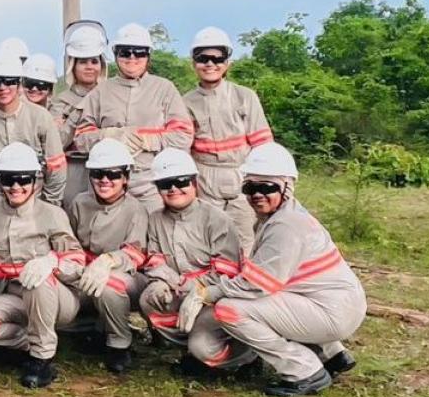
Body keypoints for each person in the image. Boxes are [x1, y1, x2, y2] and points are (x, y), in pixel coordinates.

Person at [177, 143, 365, 397]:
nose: (257, 194)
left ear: (287, 187)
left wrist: (208, 293)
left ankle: (304, 371)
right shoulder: (276, 217)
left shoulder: (285, 226)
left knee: (230, 310)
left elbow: (256, 284)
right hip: (331, 302)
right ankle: (331, 353)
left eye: (267, 187)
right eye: (250, 188)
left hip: (331, 310)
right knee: (250, 303)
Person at [0, 143, 86, 389]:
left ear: (35, 180)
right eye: (9, 179)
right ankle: (28, 342)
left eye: (23, 179)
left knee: (36, 280)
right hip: (14, 295)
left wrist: (51, 262)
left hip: (56, 298)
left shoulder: (52, 214)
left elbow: (76, 262)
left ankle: (42, 360)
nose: (16, 187)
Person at [137, 149, 243, 377]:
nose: (173, 188)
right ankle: (187, 349)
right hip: (177, 290)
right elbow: (154, 258)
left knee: (202, 345)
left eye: (180, 181)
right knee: (149, 297)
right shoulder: (155, 219)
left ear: (195, 183)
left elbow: (227, 271)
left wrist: (191, 288)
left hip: (215, 296)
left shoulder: (216, 219)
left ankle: (242, 358)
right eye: (166, 184)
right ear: (158, 189)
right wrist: (162, 282)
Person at [70, 23, 193, 212]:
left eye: (139, 52)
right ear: (116, 54)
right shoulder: (101, 91)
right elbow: (80, 138)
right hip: (107, 183)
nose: (132, 58)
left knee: (153, 236)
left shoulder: (164, 89)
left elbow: (183, 136)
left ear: (148, 56)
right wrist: (111, 136)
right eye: (125, 52)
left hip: (150, 181)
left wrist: (145, 139)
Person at [182, 27, 273, 251]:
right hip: (204, 178)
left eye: (217, 58)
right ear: (194, 63)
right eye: (203, 58)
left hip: (241, 175)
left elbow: (263, 145)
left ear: (227, 63)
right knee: (207, 237)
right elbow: (183, 148)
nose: (210, 64)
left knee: (245, 239)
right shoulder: (185, 102)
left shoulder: (244, 96)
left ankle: (245, 284)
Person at [68, 140, 149, 374]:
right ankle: (88, 328)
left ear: (125, 177)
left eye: (113, 174)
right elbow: (69, 241)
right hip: (84, 271)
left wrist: (108, 261)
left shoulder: (136, 209)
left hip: (125, 277)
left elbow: (135, 253)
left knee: (108, 285)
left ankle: (119, 344)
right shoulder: (79, 203)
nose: (105, 180)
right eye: (98, 174)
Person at [0, 51, 67, 219]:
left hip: (37, 202)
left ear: (19, 84)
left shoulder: (41, 118)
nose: (2, 88)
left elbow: (57, 169)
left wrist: (47, 210)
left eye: (9, 81)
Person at [56, 21, 111, 209]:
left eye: (94, 61)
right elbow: (56, 142)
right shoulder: (60, 101)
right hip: (73, 169)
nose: (89, 67)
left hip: (108, 171)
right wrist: (76, 113)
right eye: (83, 61)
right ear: (73, 65)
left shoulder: (112, 97)